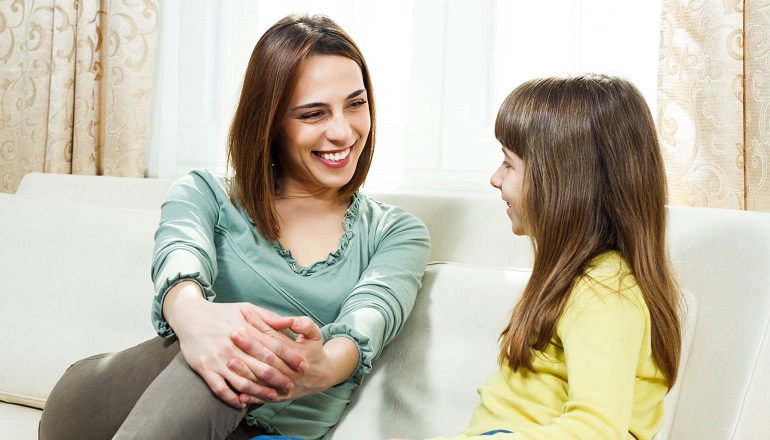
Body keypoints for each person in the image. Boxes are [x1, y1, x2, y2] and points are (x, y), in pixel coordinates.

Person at [39, 14, 430, 440]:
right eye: (313, 113)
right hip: (101, 403)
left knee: (240, 355)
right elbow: (180, 255)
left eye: (355, 104)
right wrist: (198, 321)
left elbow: (370, 318)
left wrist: (322, 368)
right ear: (270, 122)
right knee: (230, 352)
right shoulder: (205, 193)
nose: (342, 131)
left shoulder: (396, 233)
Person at [393, 74, 683, 439]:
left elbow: (597, 429)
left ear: (563, 181)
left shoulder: (605, 291)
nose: (495, 178)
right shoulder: (582, 280)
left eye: (509, 164)